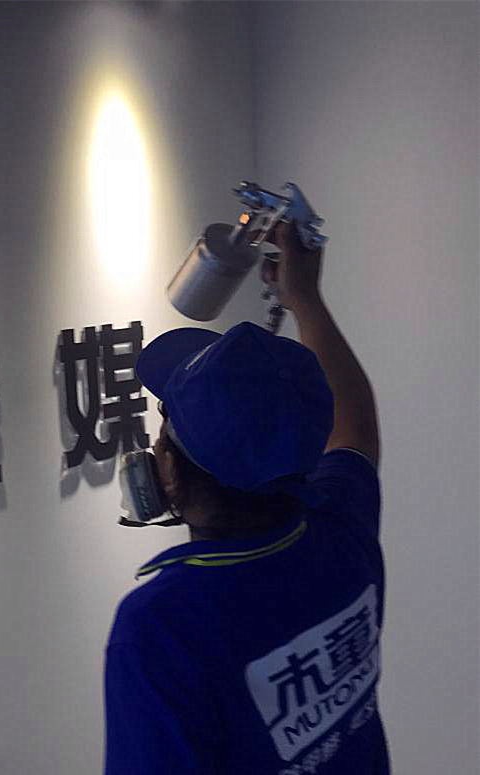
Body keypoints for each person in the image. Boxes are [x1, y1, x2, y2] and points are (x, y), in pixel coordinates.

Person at [103, 221, 390, 773]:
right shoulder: (338, 527)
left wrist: (303, 298)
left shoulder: (161, 627)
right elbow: (355, 430)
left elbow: (354, 430)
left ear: (169, 474)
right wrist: (305, 298)